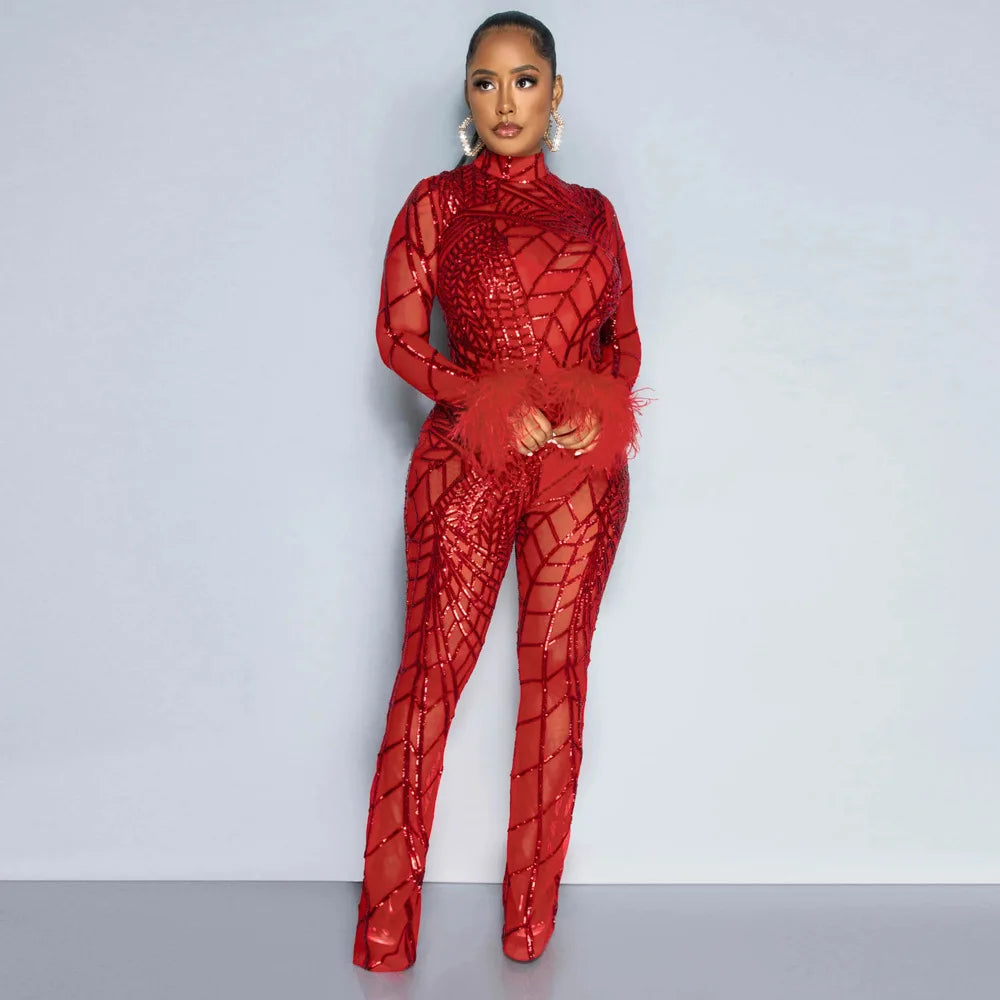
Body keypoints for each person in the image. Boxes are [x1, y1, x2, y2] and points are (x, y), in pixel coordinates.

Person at [353, 10, 648, 972]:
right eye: (486, 82)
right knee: (431, 675)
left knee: (557, 681)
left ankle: (530, 923)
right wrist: (486, 398)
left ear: (555, 94)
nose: (505, 101)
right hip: (468, 461)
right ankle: (386, 927)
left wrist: (600, 413)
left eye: (525, 81)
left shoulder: (596, 214)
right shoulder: (437, 204)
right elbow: (398, 338)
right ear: (468, 97)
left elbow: (623, 344)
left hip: (576, 473)